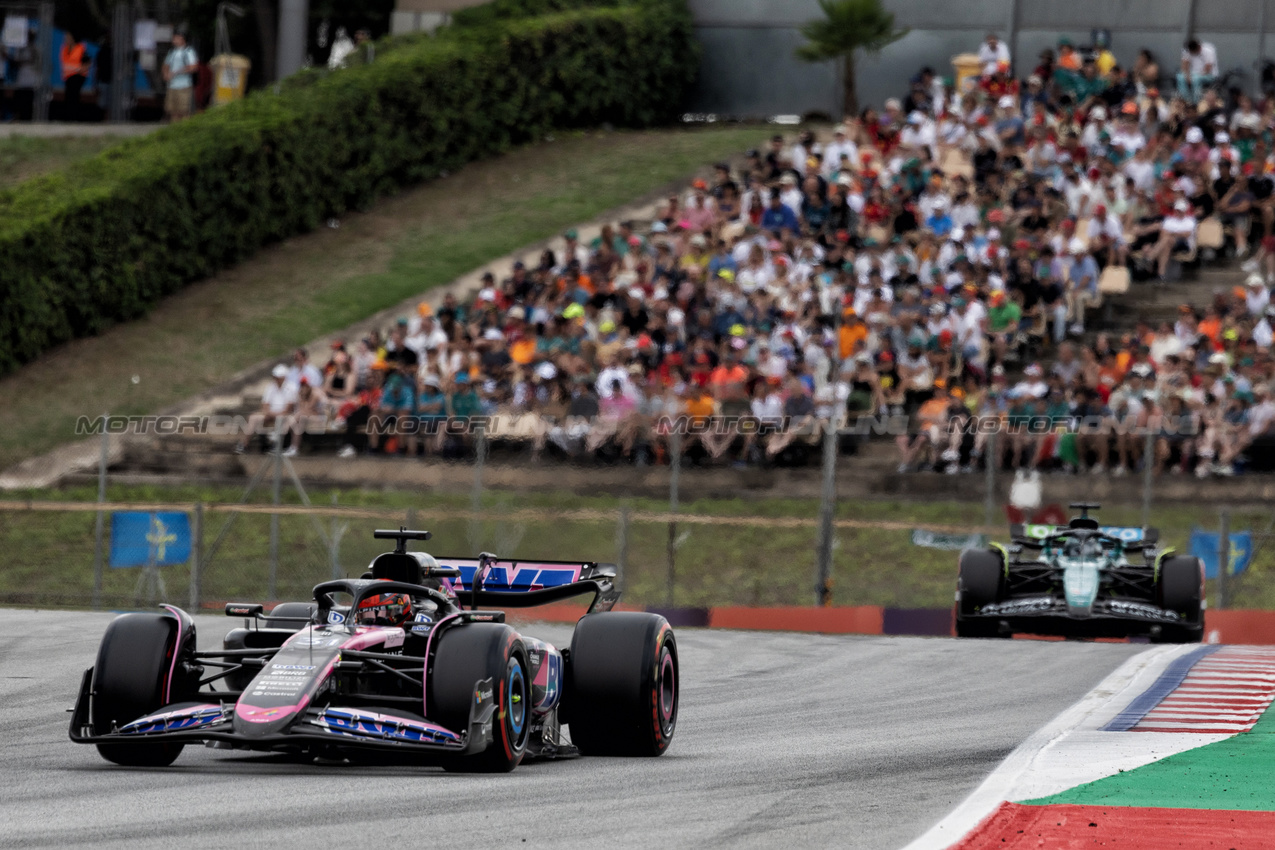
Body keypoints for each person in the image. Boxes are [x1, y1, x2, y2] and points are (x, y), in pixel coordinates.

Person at [161, 32, 198, 122]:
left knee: (183, 110)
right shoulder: (172, 52)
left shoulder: (188, 51)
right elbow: (166, 65)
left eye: (176, 38)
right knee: (172, 110)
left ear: (182, 39)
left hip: (184, 85)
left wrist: (176, 72)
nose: (174, 40)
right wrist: (166, 74)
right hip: (172, 85)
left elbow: (193, 67)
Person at [59, 33, 89, 122]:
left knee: (74, 96)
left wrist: (81, 70)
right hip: (68, 76)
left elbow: (87, 61)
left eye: (68, 37)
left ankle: (74, 117)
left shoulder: (80, 48)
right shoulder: (65, 49)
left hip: (77, 76)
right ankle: (68, 117)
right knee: (68, 96)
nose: (66, 39)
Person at [1177, 38, 1217, 103]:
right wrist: (1187, 76)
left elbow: (1208, 68)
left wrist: (1192, 77)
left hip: (1208, 75)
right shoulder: (1188, 50)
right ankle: (1185, 100)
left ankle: (1196, 102)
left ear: (1198, 47)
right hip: (1192, 74)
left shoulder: (1208, 50)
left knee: (1196, 79)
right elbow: (1184, 66)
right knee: (1180, 77)